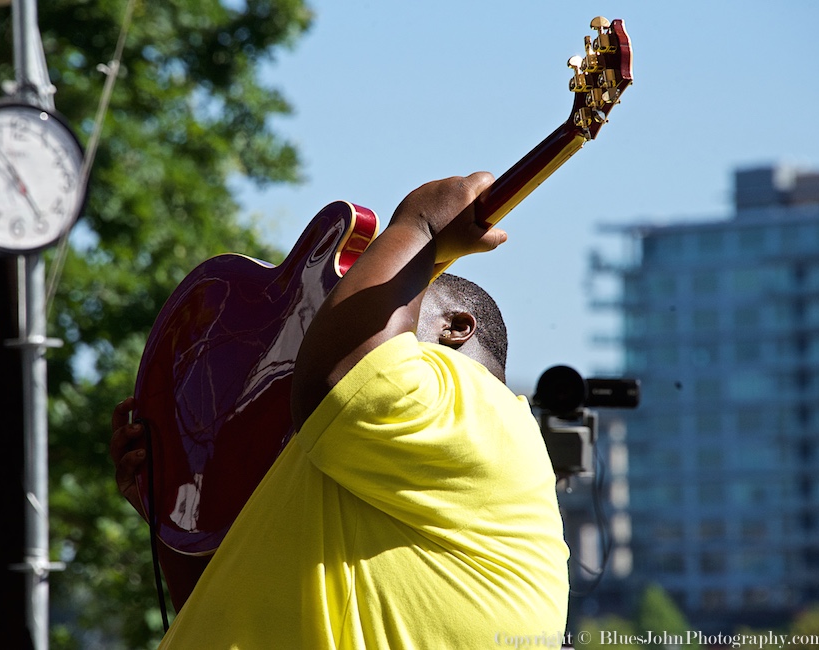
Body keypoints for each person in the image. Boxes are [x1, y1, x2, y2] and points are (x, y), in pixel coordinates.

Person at [111, 172, 570, 648]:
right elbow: (229, 604)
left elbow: (347, 376)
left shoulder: (482, 406)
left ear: (454, 327)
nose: (324, 329)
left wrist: (422, 227)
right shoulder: (363, 458)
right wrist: (171, 513)